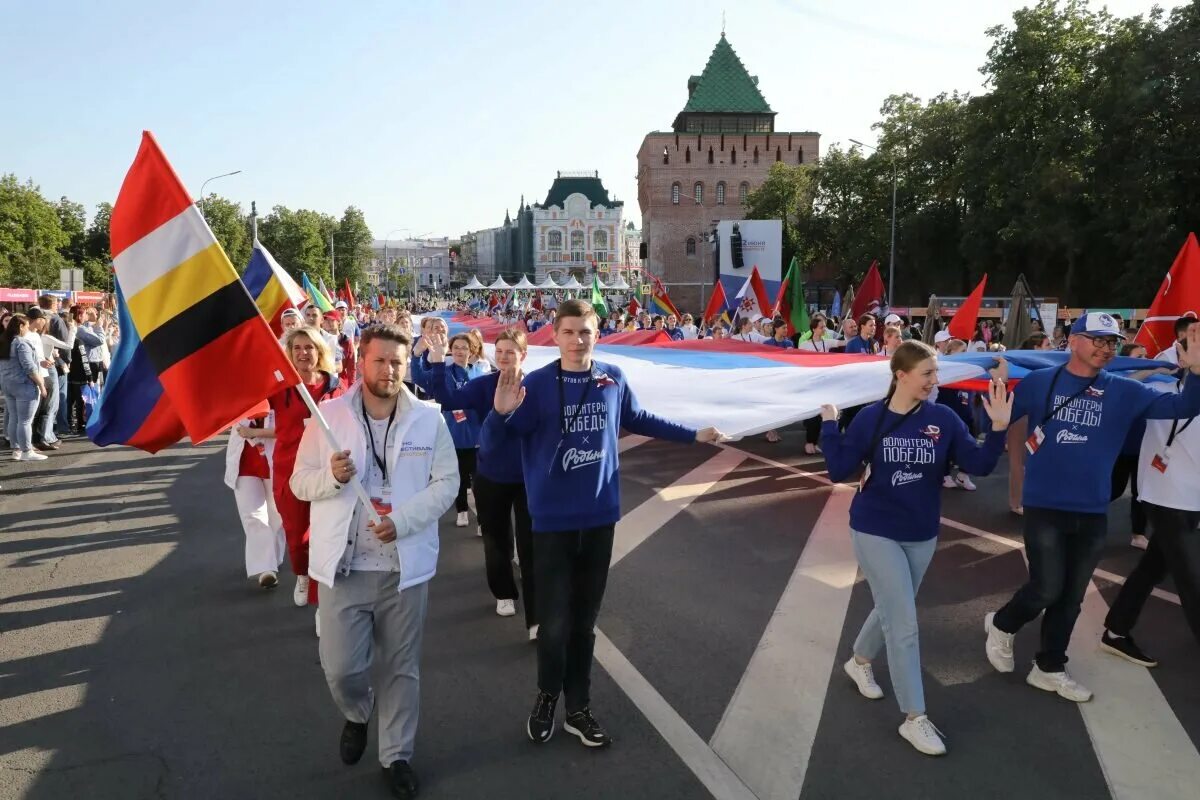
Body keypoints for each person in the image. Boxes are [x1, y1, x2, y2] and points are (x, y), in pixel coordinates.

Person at [487, 299, 723, 748]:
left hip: (599, 518)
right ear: (553, 336)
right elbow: (496, 445)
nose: (578, 340)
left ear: (598, 335)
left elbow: (639, 418)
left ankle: (578, 707)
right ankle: (545, 698)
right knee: (554, 623)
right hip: (552, 522)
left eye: (586, 332)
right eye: (569, 332)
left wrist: (694, 433)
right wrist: (500, 413)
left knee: (584, 623)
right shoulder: (535, 385)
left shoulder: (612, 377)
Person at [984, 313, 1200, 702]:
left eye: (1112, 342)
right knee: (1047, 587)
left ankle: (1049, 667)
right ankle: (1003, 623)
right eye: (1096, 340)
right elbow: (986, 445)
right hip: (1045, 506)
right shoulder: (1039, 383)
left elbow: (1184, 406)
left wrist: (1197, 370)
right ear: (1072, 341)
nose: (1105, 348)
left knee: (1072, 596)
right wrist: (997, 428)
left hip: (1092, 511)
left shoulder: (1125, 391)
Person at [290, 324, 458, 800]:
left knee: (402, 667)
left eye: (397, 363)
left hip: (405, 570)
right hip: (346, 569)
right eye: (380, 360)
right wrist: (330, 476)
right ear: (360, 361)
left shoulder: (429, 419)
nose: (389, 370)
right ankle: (358, 713)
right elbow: (299, 483)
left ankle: (396, 755)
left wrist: (403, 521)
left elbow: (446, 484)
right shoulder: (328, 417)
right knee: (342, 669)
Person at [821, 341, 1011, 755]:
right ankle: (915, 718)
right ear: (900, 375)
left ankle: (859, 662)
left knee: (893, 606)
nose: (934, 381)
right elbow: (839, 470)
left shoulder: (943, 419)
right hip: (874, 528)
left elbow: (978, 465)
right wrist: (830, 425)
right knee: (904, 623)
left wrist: (998, 428)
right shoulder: (871, 418)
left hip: (922, 533)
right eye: (926, 373)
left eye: (936, 373)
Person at [425, 328, 539, 635]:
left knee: (532, 547)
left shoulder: (536, 385)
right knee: (497, 541)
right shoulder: (483, 385)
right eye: (499, 351)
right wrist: (437, 363)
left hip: (530, 479)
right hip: (491, 477)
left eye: (510, 352)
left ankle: (536, 615)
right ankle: (504, 593)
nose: (503, 357)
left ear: (523, 355)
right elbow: (447, 400)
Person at [1100, 347, 1200, 664]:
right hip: (1167, 498)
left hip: (1191, 499)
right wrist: (1145, 369)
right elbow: (1110, 385)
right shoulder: (1155, 387)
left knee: (1153, 568)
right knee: (1192, 579)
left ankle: (1116, 629)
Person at [269, 327, 347, 619]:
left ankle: (323, 605)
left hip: (328, 472)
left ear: (319, 351)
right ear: (289, 353)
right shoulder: (278, 387)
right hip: (290, 472)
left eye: (309, 347)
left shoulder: (336, 385)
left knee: (327, 537)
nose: (303, 353)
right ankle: (302, 574)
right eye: (297, 348)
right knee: (297, 537)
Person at [224, 405, 285, 588]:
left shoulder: (284, 390)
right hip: (244, 461)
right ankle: (266, 568)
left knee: (277, 517)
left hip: (276, 459)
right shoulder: (239, 392)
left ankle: (272, 558)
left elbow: (290, 429)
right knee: (252, 515)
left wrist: (255, 431)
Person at [0, 314, 49, 461]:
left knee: (14, 418)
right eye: (26, 326)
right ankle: (27, 451)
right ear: (21, 326)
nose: (28, 329)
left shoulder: (3, 342)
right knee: (25, 421)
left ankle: (17, 449)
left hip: (8, 385)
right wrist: (41, 385)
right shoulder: (21, 343)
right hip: (24, 385)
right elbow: (29, 367)